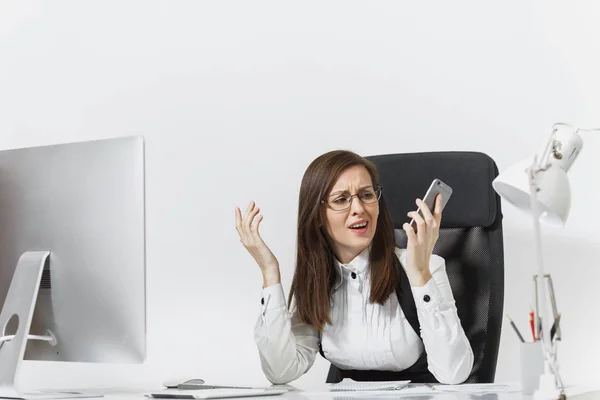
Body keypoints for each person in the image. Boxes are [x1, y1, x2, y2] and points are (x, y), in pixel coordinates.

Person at [234, 150, 473, 385]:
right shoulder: (316, 280)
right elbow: (281, 372)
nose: (359, 208)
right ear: (317, 216)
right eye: (341, 200)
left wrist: (420, 275)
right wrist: (269, 272)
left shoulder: (425, 267)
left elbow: (454, 373)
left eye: (366, 195)